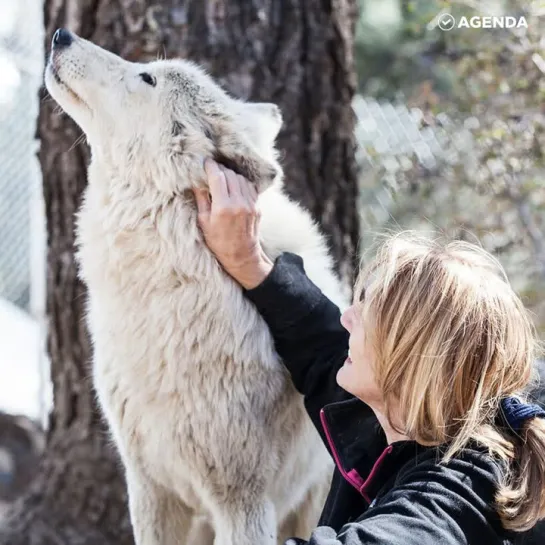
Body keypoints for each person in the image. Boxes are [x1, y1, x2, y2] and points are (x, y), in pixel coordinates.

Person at [192, 159, 545, 545]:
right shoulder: (429, 418)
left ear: (407, 358)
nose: (347, 321)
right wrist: (248, 261)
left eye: (365, 318)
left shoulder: (455, 492)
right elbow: (321, 348)